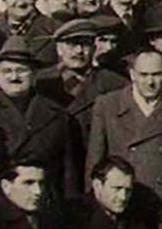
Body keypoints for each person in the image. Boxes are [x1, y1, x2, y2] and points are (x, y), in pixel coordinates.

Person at [87, 49, 162, 212]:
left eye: (156, 74)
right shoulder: (107, 106)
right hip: (122, 204)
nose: (150, 82)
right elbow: (95, 163)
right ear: (132, 75)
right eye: (143, 75)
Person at [0, 36, 81, 201]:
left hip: (41, 199)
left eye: (21, 70)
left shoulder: (56, 114)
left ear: (34, 73)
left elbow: (68, 172)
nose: (14, 77)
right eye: (7, 71)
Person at [34, 18, 128, 146]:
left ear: (94, 49)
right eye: (72, 44)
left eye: (85, 44)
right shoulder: (40, 82)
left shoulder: (114, 84)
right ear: (59, 49)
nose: (79, 51)